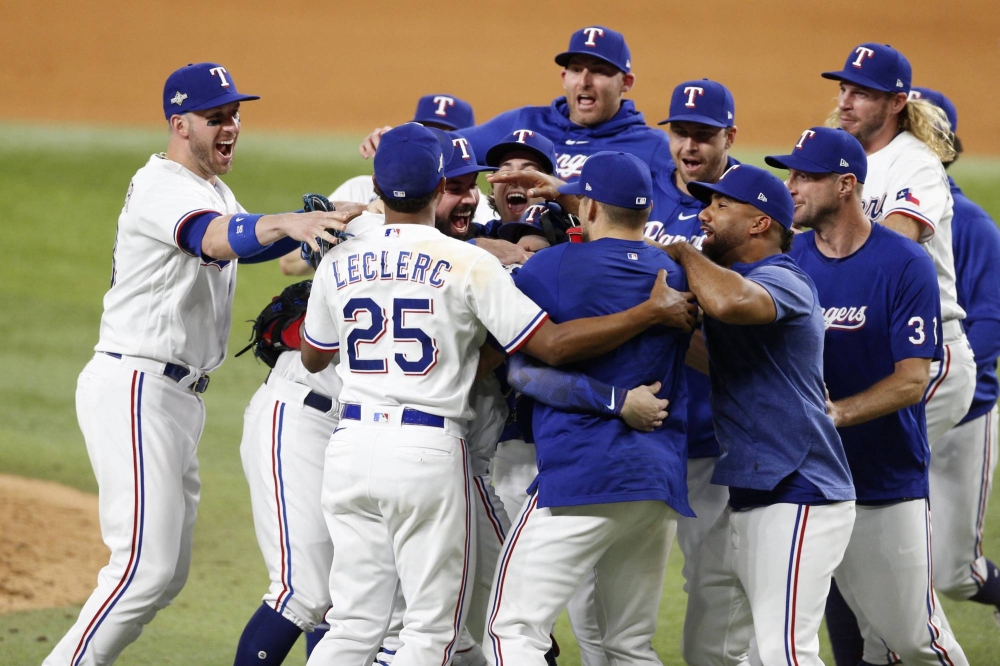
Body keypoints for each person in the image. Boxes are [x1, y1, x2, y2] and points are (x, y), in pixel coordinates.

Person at [299, 124, 696, 666]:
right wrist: (650, 311)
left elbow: (314, 355)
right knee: (431, 632)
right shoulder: (470, 263)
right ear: (441, 187)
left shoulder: (340, 259)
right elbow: (549, 346)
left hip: (348, 446)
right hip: (426, 449)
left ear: (376, 186)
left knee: (350, 625)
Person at [43, 62, 351, 666]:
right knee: (140, 568)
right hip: (136, 386)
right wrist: (288, 221)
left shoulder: (212, 189)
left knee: (164, 574)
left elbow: (243, 234)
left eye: (235, 114)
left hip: (174, 399)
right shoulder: (162, 186)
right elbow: (214, 239)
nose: (230, 126)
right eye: (216, 117)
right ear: (178, 123)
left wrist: (317, 222)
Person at [484, 152, 693, 666]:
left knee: (511, 631)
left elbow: (523, 372)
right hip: (656, 483)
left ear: (591, 206)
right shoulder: (673, 274)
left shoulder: (552, 267)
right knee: (628, 644)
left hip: (581, 477)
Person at [772, 126, 968, 665]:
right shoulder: (792, 262)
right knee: (851, 642)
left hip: (885, 483)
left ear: (845, 185)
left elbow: (911, 380)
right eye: (790, 173)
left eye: (805, 176)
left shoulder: (903, 263)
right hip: (811, 486)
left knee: (913, 641)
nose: (791, 186)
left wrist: (837, 415)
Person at [660, 164, 856, 666]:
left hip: (800, 491)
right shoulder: (743, 280)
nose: (704, 215)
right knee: (709, 649)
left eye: (721, 206)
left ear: (758, 224)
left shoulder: (784, 278)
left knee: (784, 652)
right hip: (750, 492)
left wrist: (682, 252)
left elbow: (727, 301)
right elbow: (714, 353)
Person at [820, 43, 975, 447]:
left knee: (859, 461)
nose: (846, 103)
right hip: (871, 348)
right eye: (843, 90)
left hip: (930, 354)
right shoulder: (838, 155)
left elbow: (894, 243)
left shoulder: (914, 162)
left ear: (896, 102)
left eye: (862, 94)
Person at [358, 26, 673, 184]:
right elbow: (450, 147)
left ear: (626, 83)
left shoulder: (653, 147)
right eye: (577, 69)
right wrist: (402, 139)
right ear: (564, 77)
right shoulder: (524, 123)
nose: (585, 81)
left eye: (600, 71)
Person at [645, 78, 739, 603]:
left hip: (711, 430)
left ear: (729, 135)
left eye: (703, 136)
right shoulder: (645, 190)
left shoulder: (746, 202)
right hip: (645, 426)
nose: (689, 148)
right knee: (611, 590)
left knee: (716, 584)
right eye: (680, 133)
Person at [911, 87, 1000, 627]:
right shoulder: (873, 213)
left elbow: (989, 325)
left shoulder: (972, 226)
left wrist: (932, 375)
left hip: (963, 413)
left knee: (954, 575)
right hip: (893, 407)